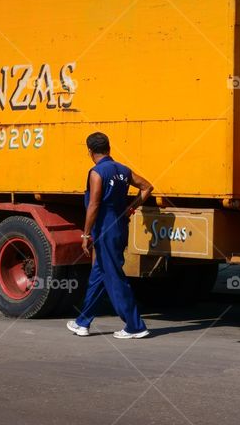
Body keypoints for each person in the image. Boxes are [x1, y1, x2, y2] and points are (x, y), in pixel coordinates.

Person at [67, 132, 154, 339]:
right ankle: (83, 322)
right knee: (99, 275)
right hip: (119, 227)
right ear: (109, 148)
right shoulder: (123, 170)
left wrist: (86, 235)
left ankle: (135, 325)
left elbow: (95, 204)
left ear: (90, 151)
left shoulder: (97, 173)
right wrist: (130, 208)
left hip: (104, 229)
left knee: (114, 276)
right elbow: (147, 187)